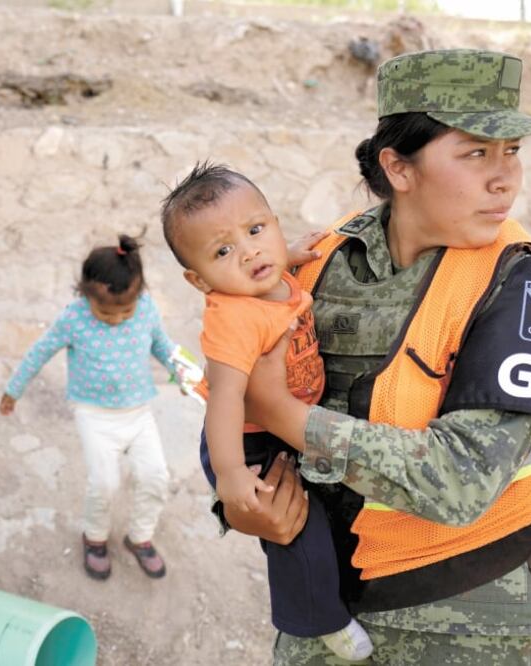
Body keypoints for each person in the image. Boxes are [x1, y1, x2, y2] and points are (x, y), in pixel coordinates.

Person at [217, 49, 531, 664]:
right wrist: (244, 503)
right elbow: (238, 393)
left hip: (469, 616)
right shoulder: (325, 258)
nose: (506, 180)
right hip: (329, 601)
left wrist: (285, 416)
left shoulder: (527, 286)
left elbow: (460, 482)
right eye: (476, 152)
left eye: (514, 152)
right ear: (398, 166)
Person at [160, 163, 372, 661]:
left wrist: (290, 256)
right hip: (247, 440)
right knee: (296, 525)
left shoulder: (270, 280)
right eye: (223, 251)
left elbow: (272, 263)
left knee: (322, 512)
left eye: (256, 231)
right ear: (198, 279)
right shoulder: (232, 315)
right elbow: (226, 398)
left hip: (284, 424)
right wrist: (231, 473)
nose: (250, 251)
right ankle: (322, 621)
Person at [0, 234, 175, 581]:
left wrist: (184, 376)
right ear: (84, 294)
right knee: (105, 482)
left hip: (138, 412)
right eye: (106, 311)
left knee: (155, 476)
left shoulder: (147, 310)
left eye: (126, 309)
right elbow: (39, 351)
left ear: (140, 293)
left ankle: (139, 536)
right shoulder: (74, 318)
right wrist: (13, 389)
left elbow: (162, 346)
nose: (116, 318)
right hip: (94, 415)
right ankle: (94, 537)